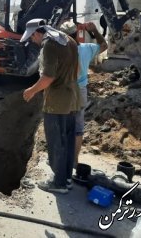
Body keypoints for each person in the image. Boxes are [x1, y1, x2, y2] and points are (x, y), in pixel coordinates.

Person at [21, 18, 80, 194]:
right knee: (68, 140)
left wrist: (31, 90)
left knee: (56, 142)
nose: (32, 41)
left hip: (57, 102)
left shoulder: (49, 45)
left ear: (38, 33)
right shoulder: (67, 39)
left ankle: (59, 183)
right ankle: (67, 179)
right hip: (73, 98)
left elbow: (48, 77)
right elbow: (77, 70)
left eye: (32, 37)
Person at [60, 21, 108, 165]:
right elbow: (104, 45)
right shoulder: (87, 49)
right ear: (76, 34)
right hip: (80, 90)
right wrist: (94, 31)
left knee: (61, 123)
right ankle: (74, 159)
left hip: (64, 90)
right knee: (78, 127)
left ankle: (61, 158)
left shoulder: (59, 50)